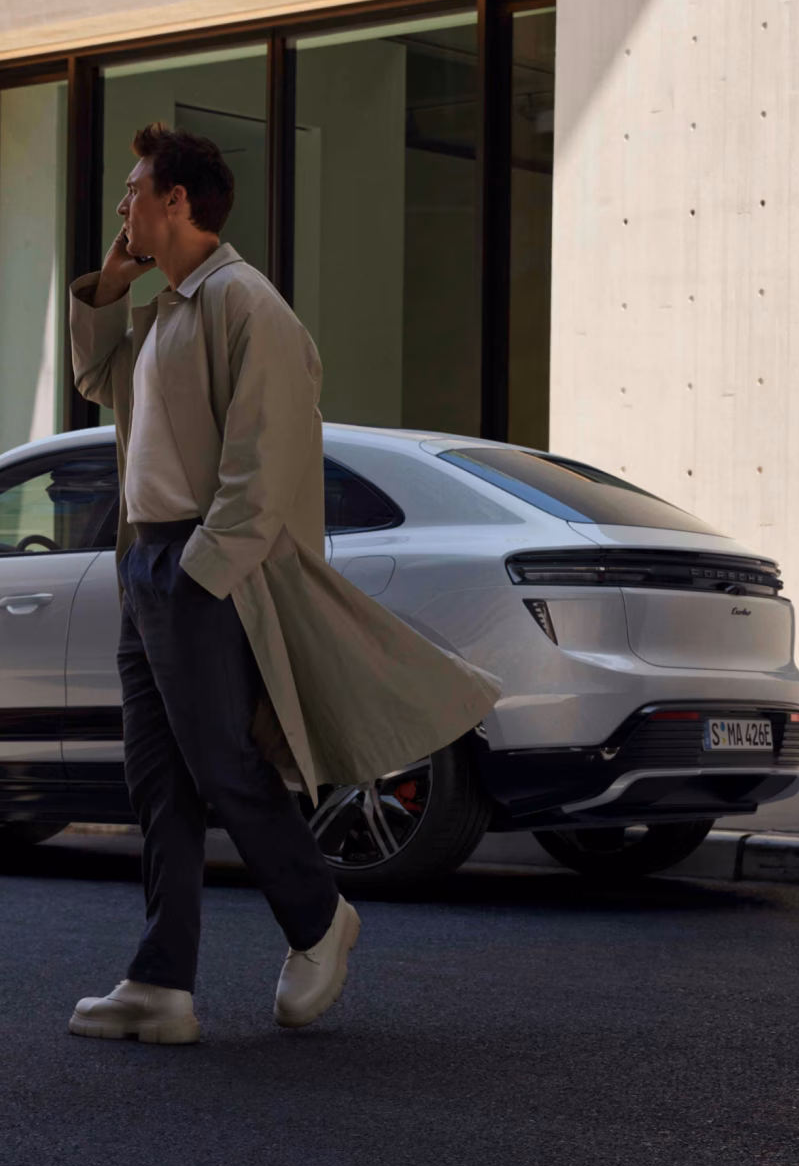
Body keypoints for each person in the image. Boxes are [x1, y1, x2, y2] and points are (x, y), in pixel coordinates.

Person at [67, 123, 499, 1045]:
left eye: (135, 189)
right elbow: (98, 378)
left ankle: (317, 919)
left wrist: (201, 573)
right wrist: (110, 286)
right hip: (146, 564)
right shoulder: (165, 310)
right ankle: (162, 981)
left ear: (177, 200)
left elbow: (261, 468)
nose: (124, 205)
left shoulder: (246, 307)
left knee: (222, 763)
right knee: (158, 781)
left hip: (199, 567)